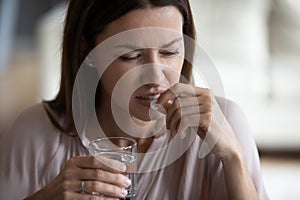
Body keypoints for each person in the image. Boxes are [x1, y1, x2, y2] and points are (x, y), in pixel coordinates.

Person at [0, 0, 269, 199]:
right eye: (131, 56)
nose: (155, 76)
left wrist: (233, 158)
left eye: (170, 52)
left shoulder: (226, 122)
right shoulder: (35, 131)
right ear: (88, 50)